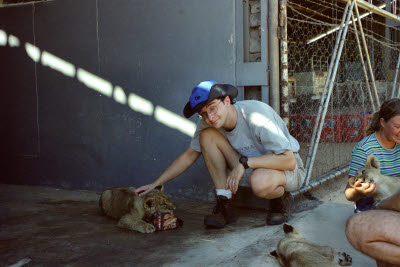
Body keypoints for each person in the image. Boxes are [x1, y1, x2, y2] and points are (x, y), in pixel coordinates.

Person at [135, 80, 305, 228]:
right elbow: (188, 156)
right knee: (207, 136)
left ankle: (280, 199)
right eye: (203, 114)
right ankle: (225, 203)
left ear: (227, 101)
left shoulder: (255, 114)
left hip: (286, 169)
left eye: (213, 108)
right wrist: (155, 184)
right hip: (246, 165)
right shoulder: (207, 122)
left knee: (259, 180)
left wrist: (245, 163)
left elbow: (288, 161)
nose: (210, 117)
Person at [344, 98, 400, 266]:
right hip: (374, 203)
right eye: (397, 126)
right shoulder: (365, 149)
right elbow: (348, 193)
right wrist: (360, 190)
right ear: (382, 122)